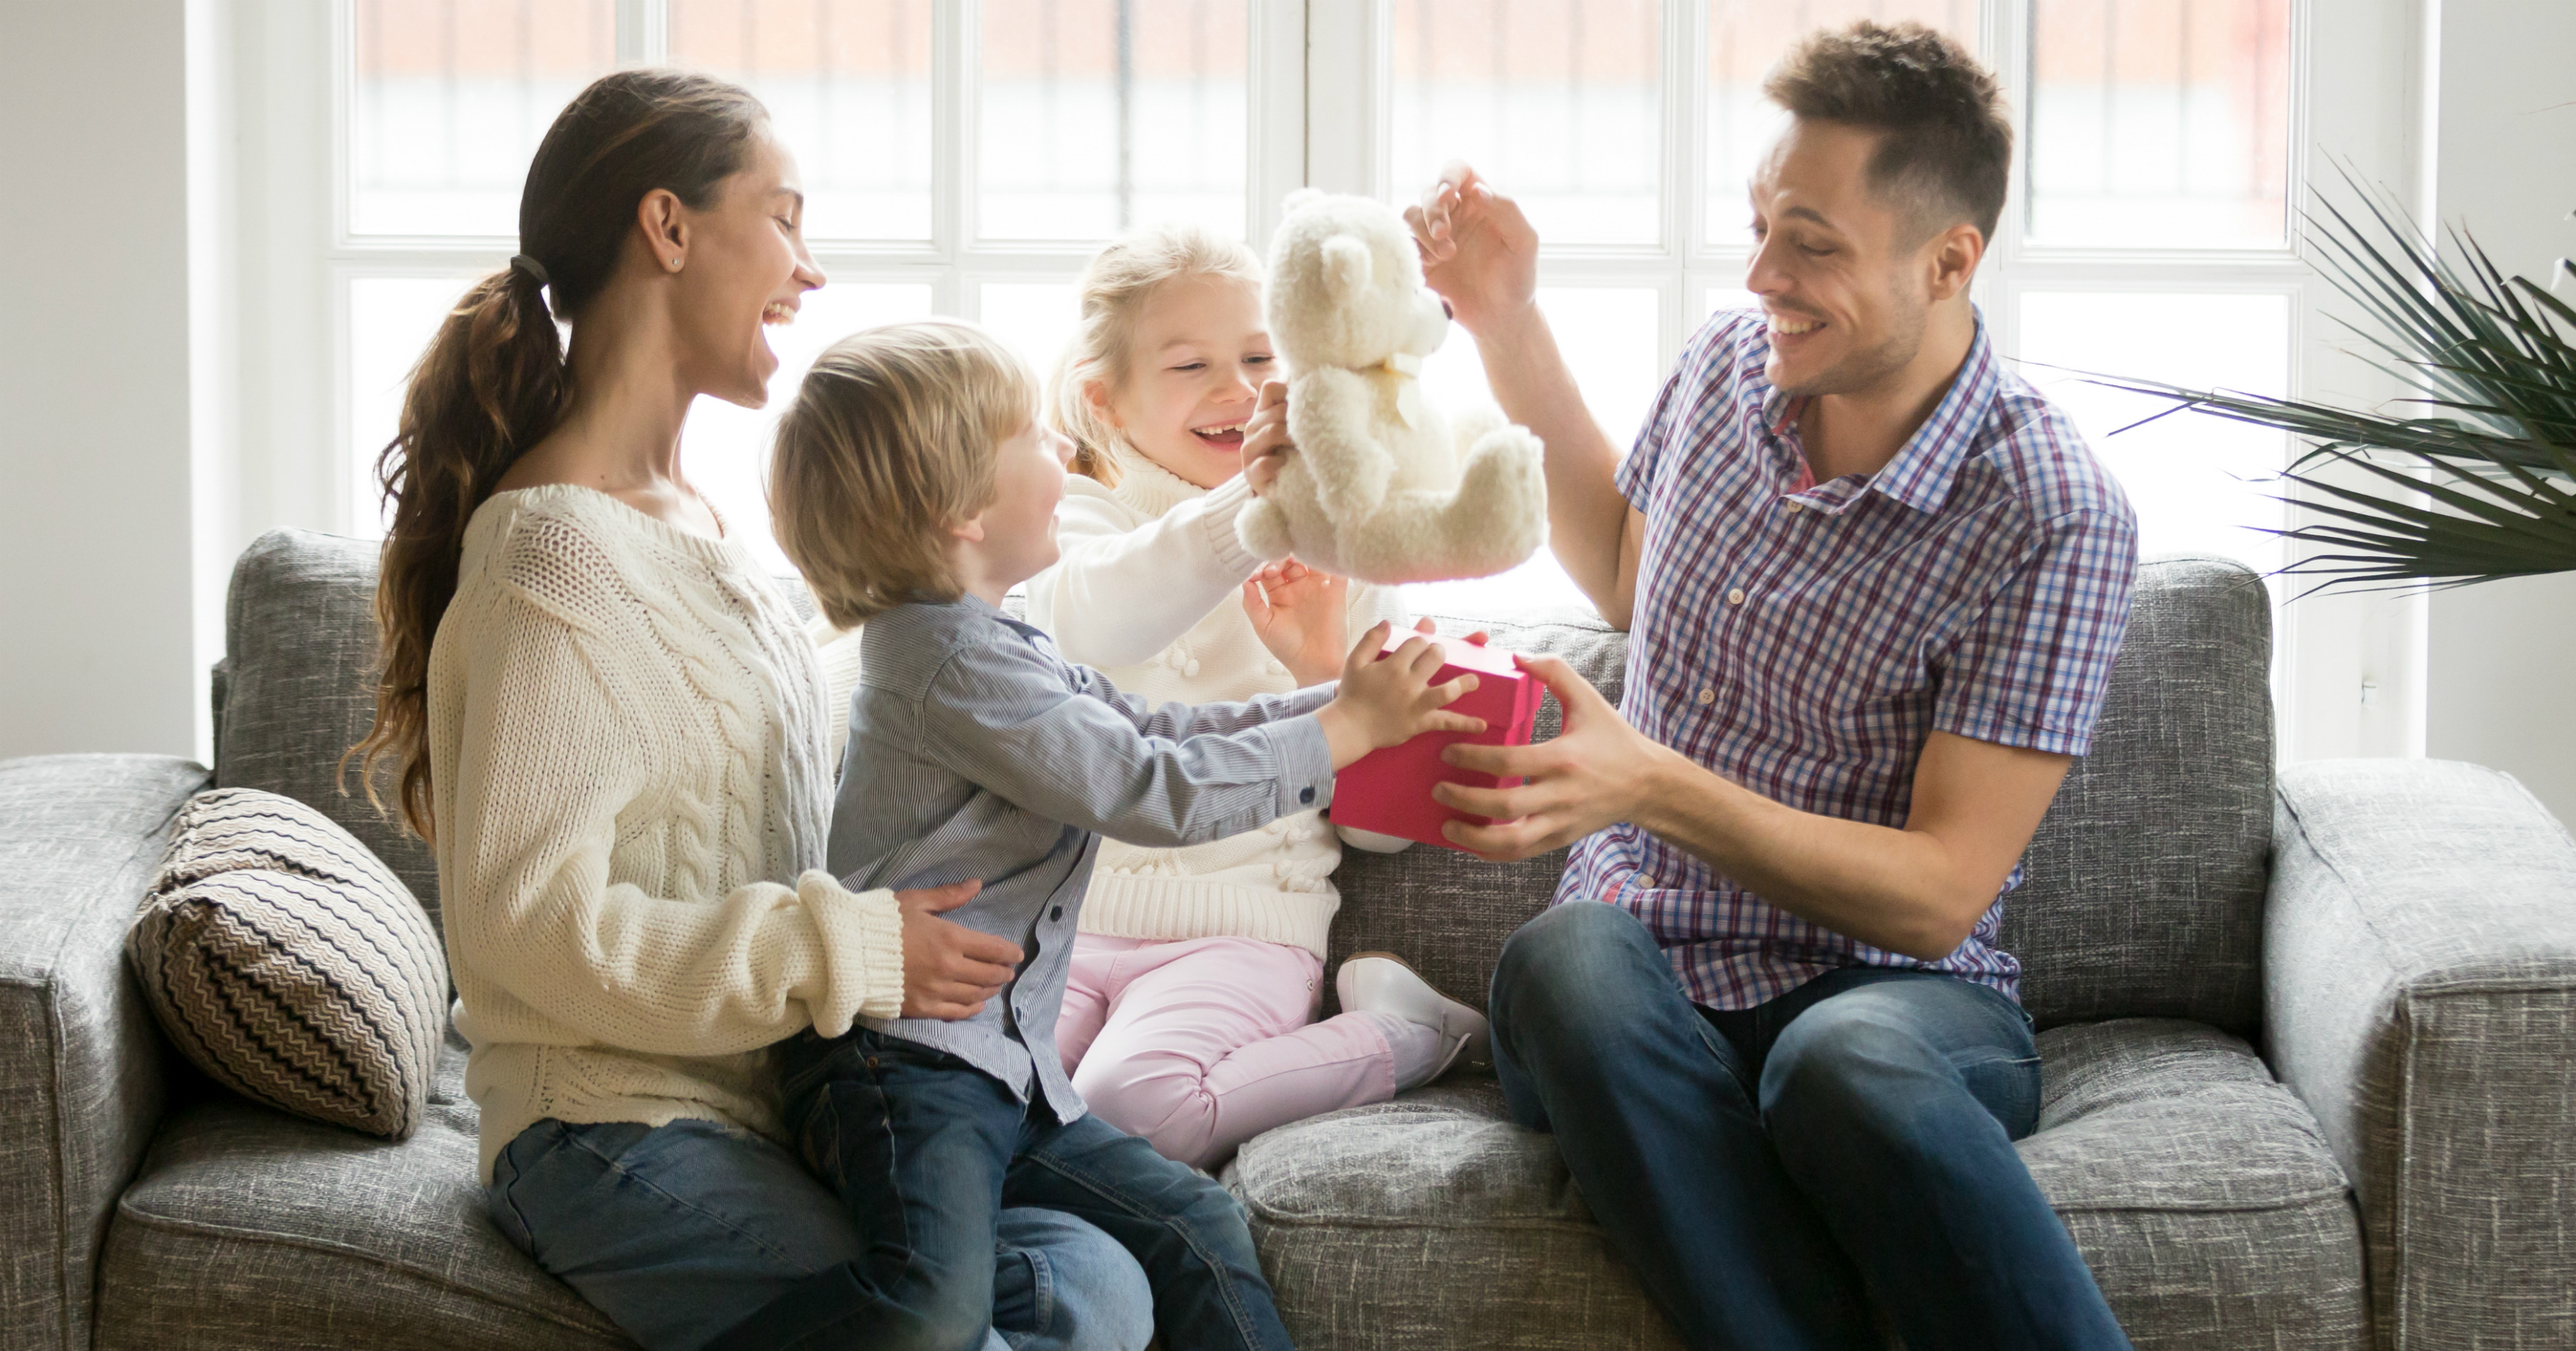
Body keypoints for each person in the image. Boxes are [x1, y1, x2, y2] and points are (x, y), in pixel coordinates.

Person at [1246, 20, 2140, 1351]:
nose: (1760, 271)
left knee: (1835, 1066)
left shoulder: (2049, 511)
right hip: (1636, 983)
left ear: (1949, 258)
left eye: (1812, 243)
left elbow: (1941, 885)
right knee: (1563, 958)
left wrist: (1649, 783)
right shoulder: (1729, 370)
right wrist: (1502, 315)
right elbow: (1619, 565)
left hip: (1895, 992)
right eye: (1759, 222)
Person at [350, 70, 1154, 1351]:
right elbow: (521, 928)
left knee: (1095, 1277)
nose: (809, 269)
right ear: (666, 227)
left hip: (759, 1112)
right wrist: (842, 950)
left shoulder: (714, 544)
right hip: (605, 1122)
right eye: (782, 218)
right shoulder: (554, 559)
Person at [757, 317, 1486, 1350]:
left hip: (997, 1073)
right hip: (900, 1078)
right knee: (927, 1303)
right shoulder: (945, 663)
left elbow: (1154, 730)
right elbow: (1149, 786)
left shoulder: (995, 639)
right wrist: (1343, 727)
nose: (1058, 454)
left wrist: (1334, 704)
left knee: (1191, 1221)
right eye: (1029, 438)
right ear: (958, 509)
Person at [1025, 224, 1490, 1170]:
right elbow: (1084, 625)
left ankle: (1406, 1035)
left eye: (1257, 357)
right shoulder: (1077, 520)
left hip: (1241, 928)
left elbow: (1382, 836)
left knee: (1128, 1109)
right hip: (1071, 919)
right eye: (1190, 363)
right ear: (1102, 398)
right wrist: (1252, 507)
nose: (1236, 389)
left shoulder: (1350, 545)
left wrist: (1323, 671)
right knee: (994, 1106)